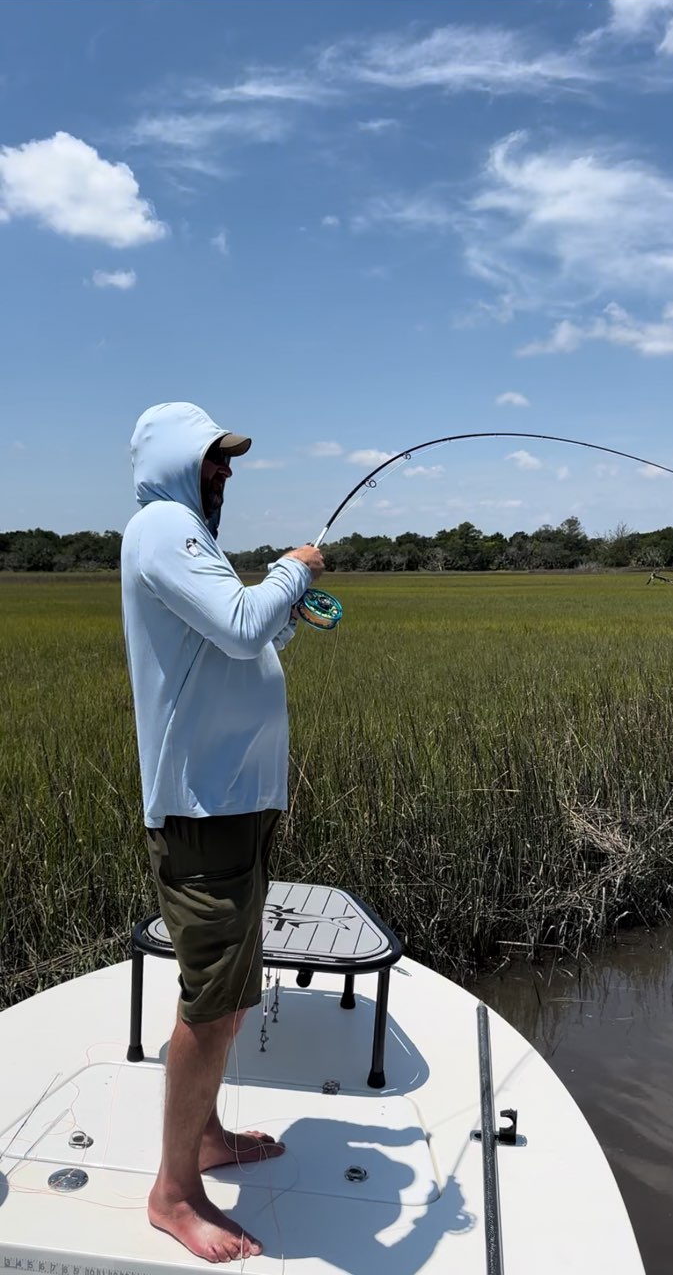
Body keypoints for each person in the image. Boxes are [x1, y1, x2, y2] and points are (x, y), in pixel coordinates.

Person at [121, 401, 324, 1263]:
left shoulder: (186, 539)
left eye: (227, 459)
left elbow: (237, 638)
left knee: (229, 995)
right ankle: (172, 1193)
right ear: (174, 460)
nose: (226, 472)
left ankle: (204, 1139)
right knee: (214, 1007)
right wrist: (293, 569)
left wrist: (284, 608)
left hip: (232, 805)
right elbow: (242, 625)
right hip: (205, 813)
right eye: (213, 457)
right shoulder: (164, 527)